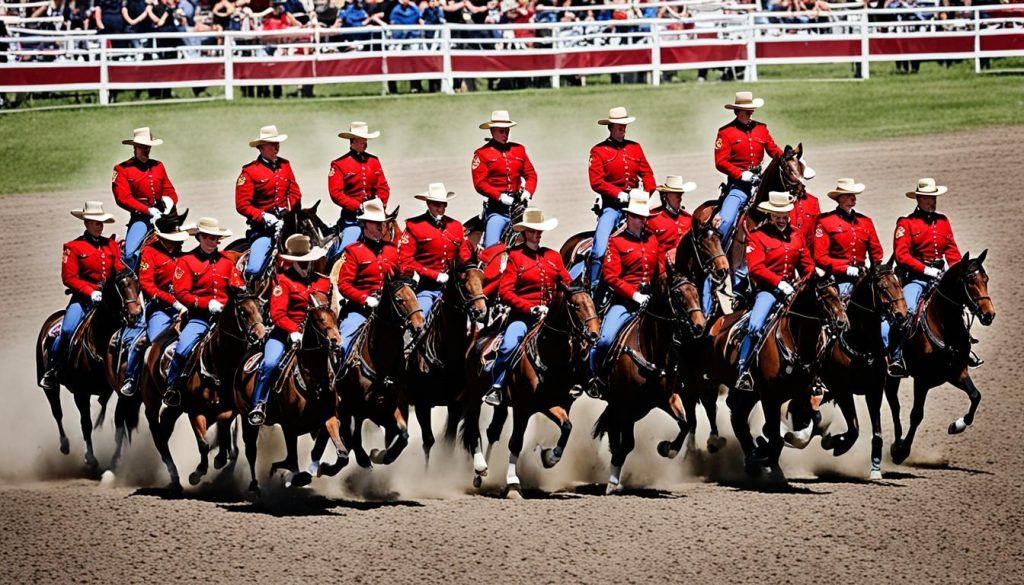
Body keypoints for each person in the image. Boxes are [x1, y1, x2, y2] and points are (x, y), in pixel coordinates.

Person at [484, 207, 569, 406]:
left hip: (550, 318)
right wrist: (529, 308)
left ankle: (579, 382)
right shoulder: (515, 256)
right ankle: (496, 386)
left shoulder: (553, 256)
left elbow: (567, 282)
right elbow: (505, 292)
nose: (536, 235)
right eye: (532, 231)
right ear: (524, 233)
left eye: (539, 231)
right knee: (508, 345)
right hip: (523, 317)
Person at [734, 191, 815, 392]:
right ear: (769, 216)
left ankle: (817, 373)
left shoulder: (797, 235)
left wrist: (805, 280)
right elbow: (756, 269)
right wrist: (779, 283)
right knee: (755, 324)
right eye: (777, 217)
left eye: (784, 216)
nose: (781, 220)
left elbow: (807, 265)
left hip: (793, 290)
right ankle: (743, 371)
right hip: (768, 291)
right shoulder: (758, 237)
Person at [882, 178, 963, 376]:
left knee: (958, 304)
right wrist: (926, 270)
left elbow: (952, 251)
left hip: (940, 277)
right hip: (916, 278)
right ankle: (898, 356)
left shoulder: (943, 221)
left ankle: (964, 350)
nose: (932, 201)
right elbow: (902, 255)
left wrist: (957, 271)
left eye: (934, 197)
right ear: (918, 199)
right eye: (928, 198)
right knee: (908, 310)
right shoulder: (906, 223)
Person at [41, 202, 124, 391]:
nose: (99, 226)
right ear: (86, 223)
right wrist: (89, 291)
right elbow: (68, 277)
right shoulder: (73, 247)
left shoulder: (110, 245)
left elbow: (119, 270)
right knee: (69, 330)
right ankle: (52, 369)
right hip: (83, 300)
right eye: (95, 222)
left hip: (110, 301)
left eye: (101, 222)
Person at [248, 234, 331, 425]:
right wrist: (294, 330)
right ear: (293, 263)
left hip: (317, 334)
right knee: (270, 363)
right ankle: (259, 404)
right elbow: (277, 314)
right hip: (285, 333)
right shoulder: (283, 282)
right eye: (301, 264)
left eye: (308, 263)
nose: (305, 267)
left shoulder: (322, 282)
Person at [589, 190, 662, 397]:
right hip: (625, 302)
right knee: (604, 340)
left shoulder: (652, 240)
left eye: (644, 217)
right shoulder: (616, 242)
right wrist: (634, 295)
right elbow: (611, 277)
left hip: (651, 300)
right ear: (628, 217)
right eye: (637, 217)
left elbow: (660, 270)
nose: (641, 221)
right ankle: (595, 377)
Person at [163, 217, 241, 406]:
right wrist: (206, 304)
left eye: (214, 238)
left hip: (226, 318)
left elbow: (237, 285)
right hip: (200, 317)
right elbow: (181, 292)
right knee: (182, 350)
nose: (211, 242)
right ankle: (172, 387)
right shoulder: (186, 261)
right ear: (199, 237)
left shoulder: (227, 262)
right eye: (207, 237)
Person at [120, 209, 192, 396]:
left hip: (186, 308)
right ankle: (131, 378)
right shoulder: (150, 253)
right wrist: (174, 302)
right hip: (159, 309)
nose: (178, 241)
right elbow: (148, 286)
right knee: (152, 343)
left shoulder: (183, 255)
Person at [587, 106, 656, 290]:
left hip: (636, 207)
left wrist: (645, 195)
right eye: (619, 127)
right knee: (600, 250)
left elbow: (647, 174)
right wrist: (618, 194)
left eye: (624, 127)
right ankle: (593, 288)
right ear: (610, 128)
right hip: (612, 207)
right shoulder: (599, 151)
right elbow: (597, 182)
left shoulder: (635, 147)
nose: (623, 130)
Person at [713, 91, 784, 251]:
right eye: (747, 111)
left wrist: (791, 159)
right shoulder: (725, 132)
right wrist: (741, 174)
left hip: (761, 183)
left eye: (752, 111)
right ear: (737, 112)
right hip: (739, 186)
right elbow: (720, 162)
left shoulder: (761, 129)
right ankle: (719, 258)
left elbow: (773, 150)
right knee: (726, 220)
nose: (750, 114)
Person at [235, 125, 302, 283]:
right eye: (272, 144)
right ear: (261, 148)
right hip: (263, 230)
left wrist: (287, 208)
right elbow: (242, 204)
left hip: (288, 225)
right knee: (254, 269)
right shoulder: (250, 172)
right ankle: (247, 295)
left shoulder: (285, 165)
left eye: (277, 143)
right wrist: (264, 216)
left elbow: (295, 193)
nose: (276, 147)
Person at [335, 198, 401, 360]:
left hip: (390, 311)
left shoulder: (391, 250)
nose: (381, 226)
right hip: (360, 311)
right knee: (344, 345)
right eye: (374, 222)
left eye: (383, 223)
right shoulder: (353, 251)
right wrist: (365, 299)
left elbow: (401, 277)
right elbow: (344, 285)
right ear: (364, 225)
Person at [398, 182, 472, 319]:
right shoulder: (414, 226)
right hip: (427, 287)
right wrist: (434, 275)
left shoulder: (455, 225)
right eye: (437, 205)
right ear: (428, 204)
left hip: (454, 288)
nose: (441, 208)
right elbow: (405, 260)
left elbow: (464, 256)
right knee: (421, 319)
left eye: (444, 204)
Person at [112, 127, 179, 271]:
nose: (146, 151)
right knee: (129, 255)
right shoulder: (122, 169)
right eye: (142, 147)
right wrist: (148, 210)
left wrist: (168, 203)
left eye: (148, 147)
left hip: (164, 217)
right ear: (134, 148)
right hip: (141, 219)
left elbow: (170, 191)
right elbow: (123, 198)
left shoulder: (158, 166)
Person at [472, 110, 538, 248]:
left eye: (507, 131)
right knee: (491, 248)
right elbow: (479, 183)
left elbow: (531, 174)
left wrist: (528, 192)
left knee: (534, 241)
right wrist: (499, 196)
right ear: (492, 131)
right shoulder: (482, 154)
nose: (505, 135)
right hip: (497, 210)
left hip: (518, 207)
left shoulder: (519, 149)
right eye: (501, 131)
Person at [327, 121, 390, 260]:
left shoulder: (374, 161)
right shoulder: (339, 164)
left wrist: (379, 204)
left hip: (377, 215)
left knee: (395, 243)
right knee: (346, 247)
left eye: (366, 139)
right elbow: (336, 193)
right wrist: (358, 206)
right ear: (353, 140)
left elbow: (383, 187)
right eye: (362, 139)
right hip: (353, 219)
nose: (365, 143)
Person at [812, 178, 883, 297]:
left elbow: (876, 253)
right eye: (848, 195)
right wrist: (844, 268)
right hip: (838, 278)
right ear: (839, 198)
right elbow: (820, 257)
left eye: (854, 195)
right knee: (842, 302)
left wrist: (875, 271)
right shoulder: (825, 221)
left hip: (863, 275)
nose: (853, 198)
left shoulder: (866, 221)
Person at [646, 175, 697, 260]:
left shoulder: (688, 218)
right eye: (676, 194)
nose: (680, 197)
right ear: (665, 196)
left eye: (681, 194)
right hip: (663, 269)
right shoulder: (652, 219)